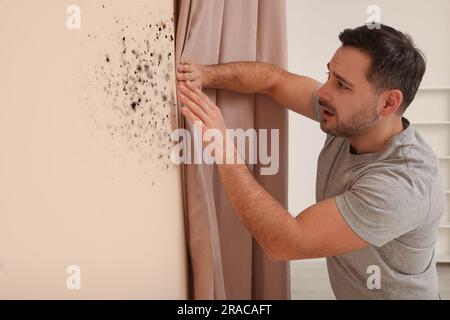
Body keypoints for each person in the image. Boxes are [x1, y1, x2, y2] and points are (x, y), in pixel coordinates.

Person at [176, 24, 445, 299]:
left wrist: (222, 147)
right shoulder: (349, 117)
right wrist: (204, 74)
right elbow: (274, 80)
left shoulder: (405, 186)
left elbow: (285, 242)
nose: (323, 92)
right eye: (328, 75)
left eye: (342, 85)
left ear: (388, 103)